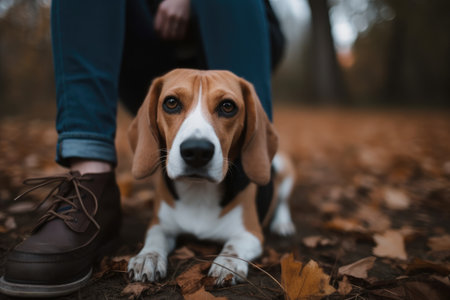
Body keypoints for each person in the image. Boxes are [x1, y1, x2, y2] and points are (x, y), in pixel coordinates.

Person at [0, 0, 284, 297]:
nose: (197, 146)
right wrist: (154, 248)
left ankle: (256, 185)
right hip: (134, 40)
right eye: (173, 104)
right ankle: (90, 171)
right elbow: (160, 228)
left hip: (239, 23)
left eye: (226, 106)